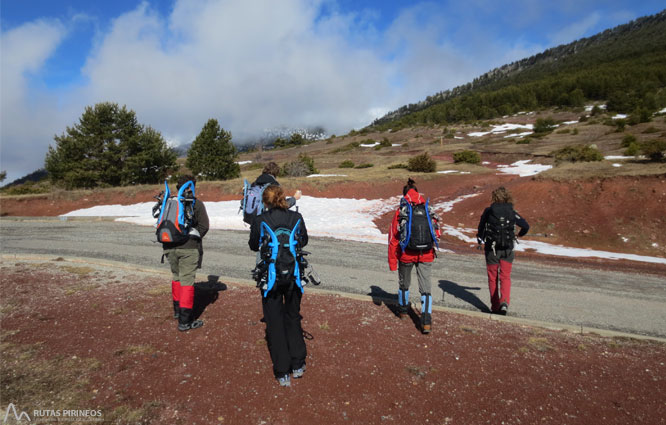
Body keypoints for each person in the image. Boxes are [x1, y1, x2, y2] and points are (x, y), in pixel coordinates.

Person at [249, 185, 309, 387]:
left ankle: (282, 370)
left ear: (265, 201)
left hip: (271, 278)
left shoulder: (261, 220)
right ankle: (298, 363)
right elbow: (305, 241)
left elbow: (253, 244)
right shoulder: (296, 218)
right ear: (283, 198)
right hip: (294, 275)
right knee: (293, 317)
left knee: (274, 322)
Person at [388, 178, 441, 334]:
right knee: (426, 287)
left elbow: (393, 238)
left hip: (406, 254)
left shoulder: (401, 211)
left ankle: (403, 311)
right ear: (418, 194)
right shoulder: (428, 209)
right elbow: (437, 232)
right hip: (426, 254)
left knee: (404, 283)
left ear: (404, 196)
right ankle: (426, 321)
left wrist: (392, 261)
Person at [164, 175, 210, 331]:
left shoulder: (170, 202)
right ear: (193, 186)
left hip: (169, 246)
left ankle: (177, 311)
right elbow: (204, 226)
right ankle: (185, 321)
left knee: (176, 278)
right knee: (187, 282)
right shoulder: (196, 204)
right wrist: (193, 239)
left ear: (178, 187)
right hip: (188, 248)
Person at [476, 186, 529, 316]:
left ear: (494, 197)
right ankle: (504, 302)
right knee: (505, 276)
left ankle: (494, 306)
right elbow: (525, 226)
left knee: (492, 277)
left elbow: (481, 230)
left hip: (491, 249)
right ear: (508, 197)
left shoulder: (489, 211)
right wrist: (518, 235)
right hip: (508, 249)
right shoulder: (511, 211)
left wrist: (481, 240)